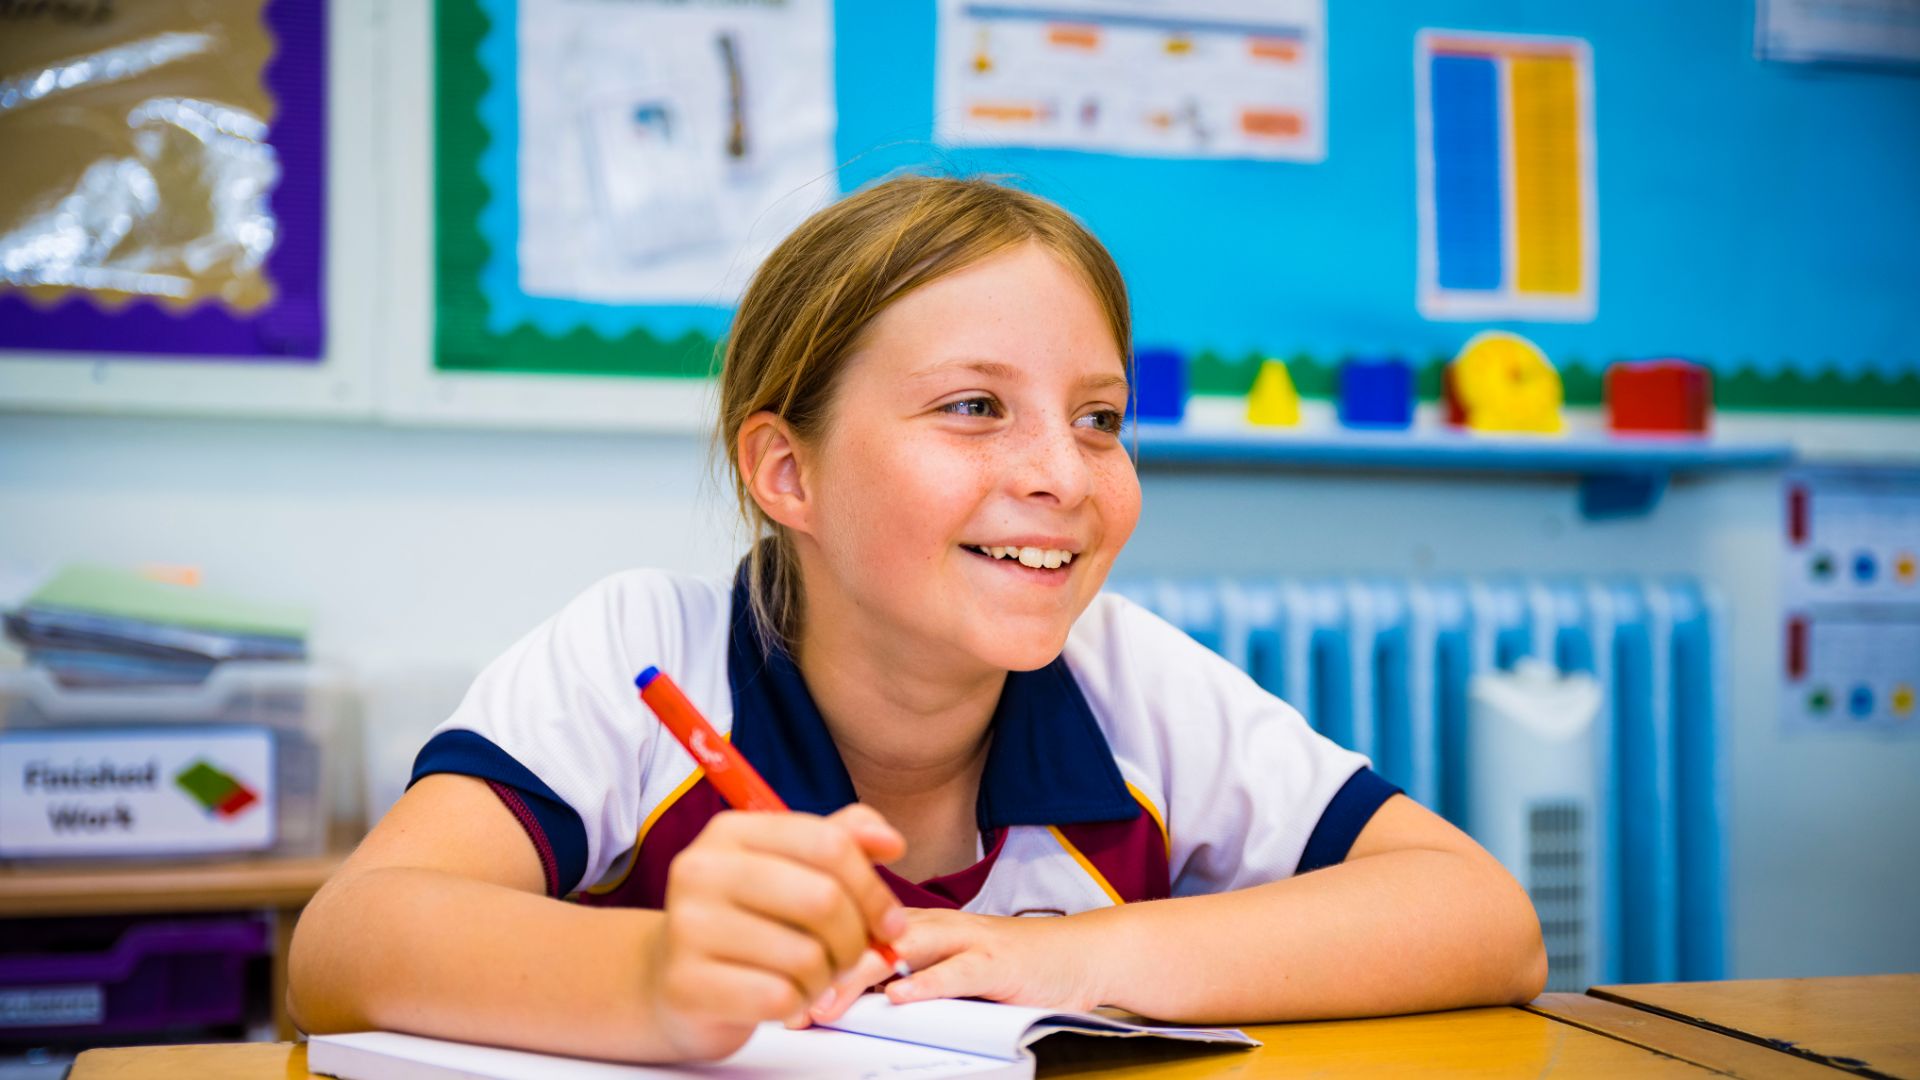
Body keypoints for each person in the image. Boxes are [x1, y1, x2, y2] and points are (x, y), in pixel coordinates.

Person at [288, 175, 1546, 1063]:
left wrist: (1061, 965)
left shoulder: (1134, 680)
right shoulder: (639, 656)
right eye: (973, 409)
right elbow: (345, 948)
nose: (1064, 471)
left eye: (1099, 417)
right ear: (788, 475)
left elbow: (1483, 921)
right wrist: (659, 982)